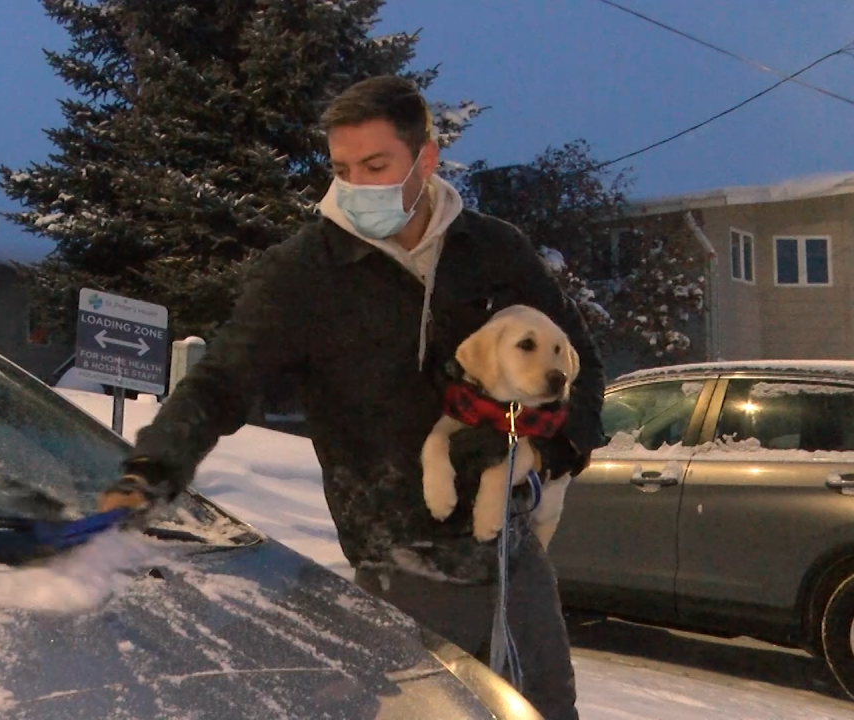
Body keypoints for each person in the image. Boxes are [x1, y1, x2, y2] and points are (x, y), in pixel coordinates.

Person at [98, 74, 606, 720]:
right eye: (342, 168)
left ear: (426, 159)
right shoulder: (308, 273)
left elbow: (581, 360)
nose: (358, 186)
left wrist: (553, 446)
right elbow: (222, 378)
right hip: (396, 575)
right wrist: (154, 464)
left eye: (376, 165)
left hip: (513, 567)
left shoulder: (493, 252)